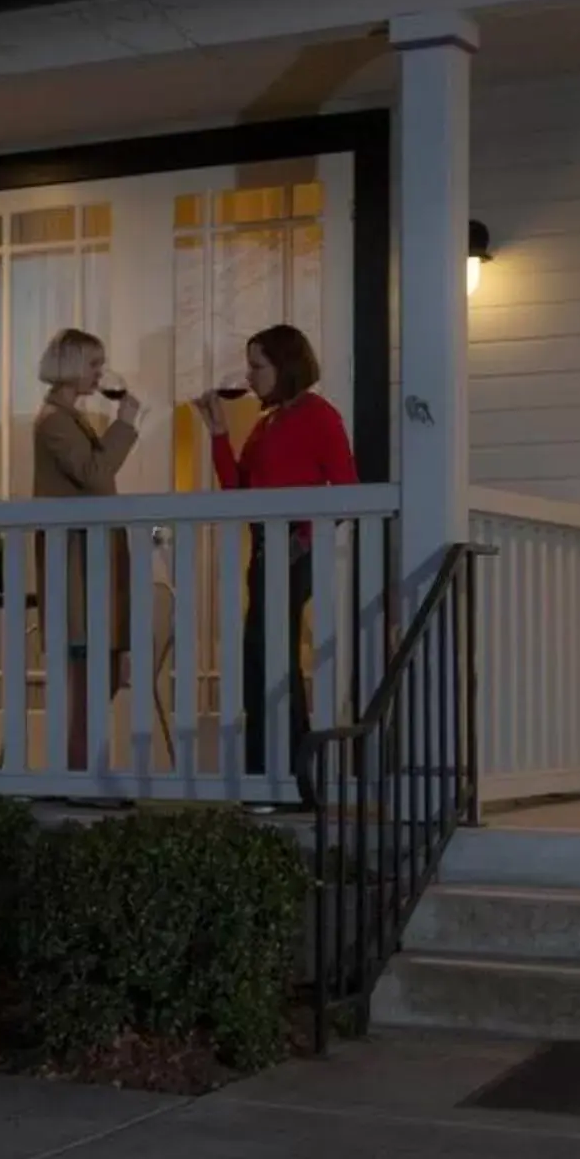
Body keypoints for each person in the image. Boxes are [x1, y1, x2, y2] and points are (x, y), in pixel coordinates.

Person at [194, 323, 357, 807]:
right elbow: (239, 493)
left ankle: (278, 780)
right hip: (265, 551)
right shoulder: (267, 424)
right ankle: (286, 780)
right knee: (261, 660)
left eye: (258, 365)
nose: (250, 375)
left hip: (294, 551)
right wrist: (219, 434)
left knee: (269, 659)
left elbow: (347, 492)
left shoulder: (319, 416)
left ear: (284, 366)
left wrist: (303, 539)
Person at [32, 327, 143, 773]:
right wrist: (126, 421)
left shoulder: (69, 417)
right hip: (76, 559)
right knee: (87, 668)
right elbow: (95, 474)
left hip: (92, 556)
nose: (100, 374)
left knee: (102, 667)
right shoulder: (54, 421)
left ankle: (85, 769)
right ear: (73, 365)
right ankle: (81, 773)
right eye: (94, 364)